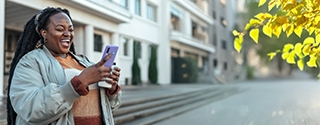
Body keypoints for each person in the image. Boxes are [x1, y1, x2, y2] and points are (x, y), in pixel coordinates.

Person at [7, 7, 122, 125]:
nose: (67, 34)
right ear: (44, 33)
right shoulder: (30, 62)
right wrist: (80, 83)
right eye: (60, 29)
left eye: (71, 30)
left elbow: (109, 107)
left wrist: (111, 89)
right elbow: (29, 109)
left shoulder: (85, 62)